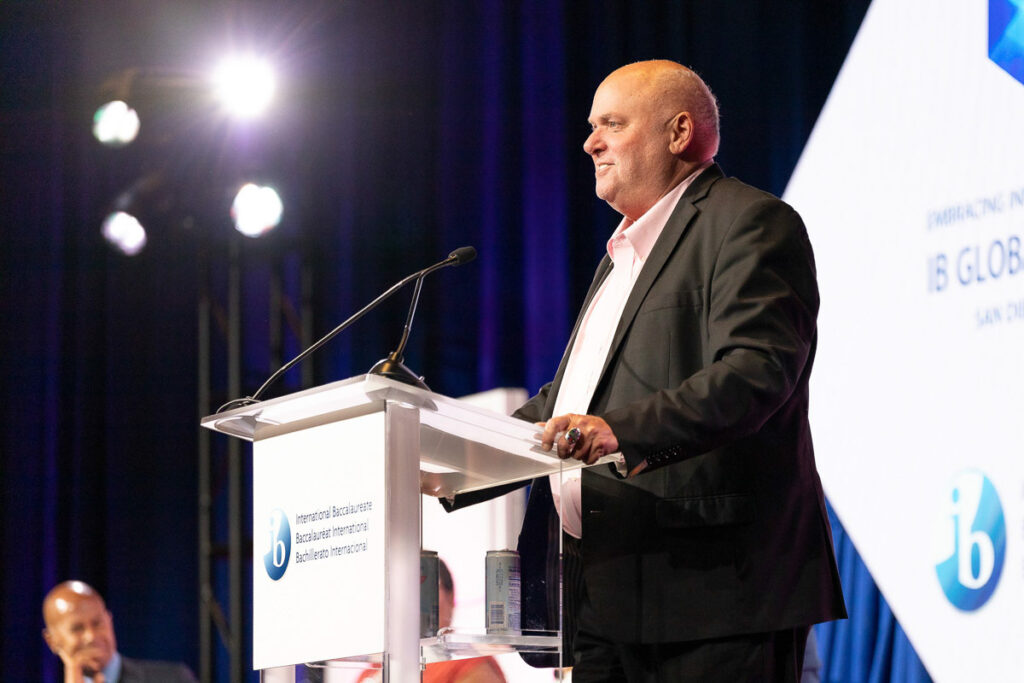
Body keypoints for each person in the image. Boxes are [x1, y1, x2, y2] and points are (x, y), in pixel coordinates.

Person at [442, 59, 846, 681]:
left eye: (611, 123)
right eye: (590, 125)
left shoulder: (749, 223)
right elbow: (566, 401)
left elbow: (755, 372)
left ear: (678, 132)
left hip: (715, 595)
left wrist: (618, 431)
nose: (589, 142)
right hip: (605, 598)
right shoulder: (619, 256)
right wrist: (453, 464)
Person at [356, 559, 506, 683]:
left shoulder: (472, 664)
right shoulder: (375, 669)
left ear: (450, 597)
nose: (416, 600)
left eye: (425, 587)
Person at [42, 580, 197, 683]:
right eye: (77, 628)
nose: (91, 636)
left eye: (97, 623)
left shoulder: (173, 678)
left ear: (109, 621)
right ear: (52, 641)